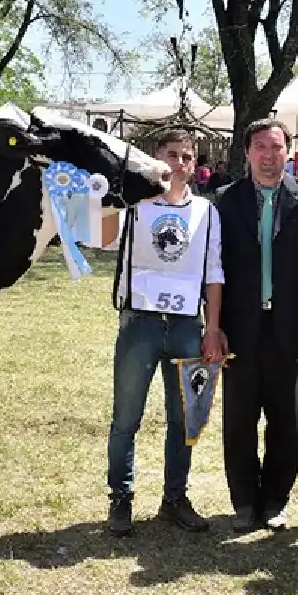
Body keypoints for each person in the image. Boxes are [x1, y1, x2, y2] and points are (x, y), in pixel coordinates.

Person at [107, 128, 226, 536]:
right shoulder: (135, 206)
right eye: (171, 155)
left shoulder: (207, 212)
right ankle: (120, 498)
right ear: (157, 159)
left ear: (195, 165)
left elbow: (214, 273)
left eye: (187, 157)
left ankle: (175, 498)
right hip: (140, 324)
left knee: (184, 418)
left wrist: (213, 328)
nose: (179, 163)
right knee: (126, 418)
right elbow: (101, 237)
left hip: (186, 327)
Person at [215, 120, 298, 532]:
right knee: (239, 419)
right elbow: (214, 268)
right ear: (247, 152)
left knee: (288, 419)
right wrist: (214, 325)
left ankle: (276, 499)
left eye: (276, 147)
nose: (268, 155)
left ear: (287, 151)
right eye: (260, 147)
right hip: (239, 328)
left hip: (290, 329)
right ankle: (244, 501)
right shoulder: (225, 201)